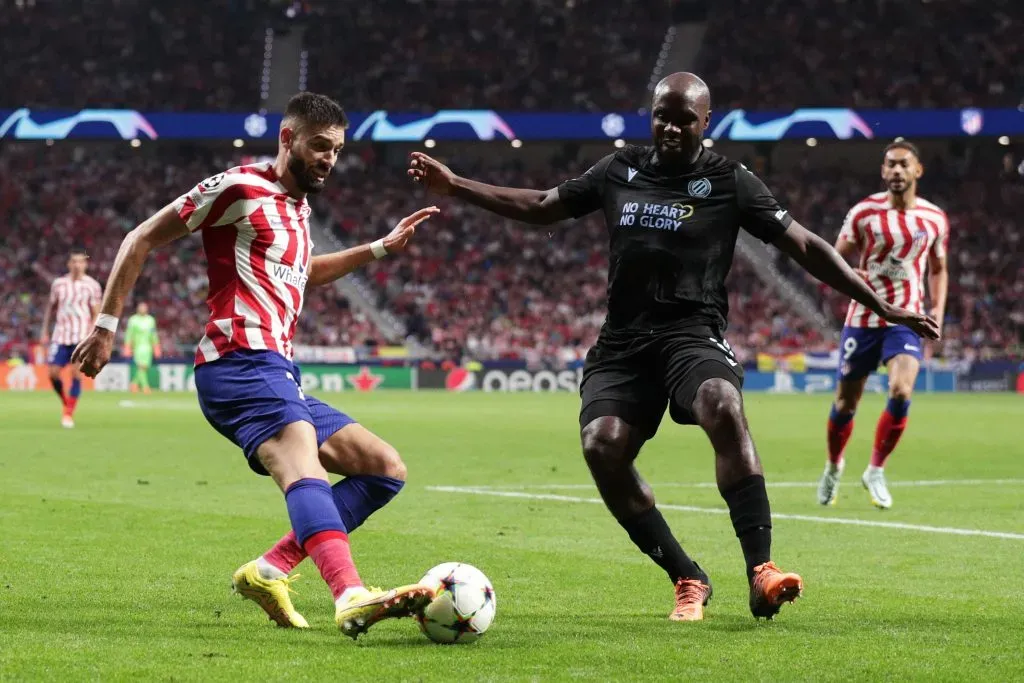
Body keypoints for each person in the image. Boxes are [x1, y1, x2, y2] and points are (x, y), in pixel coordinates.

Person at [408, 72, 938, 622]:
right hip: (623, 342)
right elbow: (544, 205)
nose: (671, 126)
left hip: (692, 333)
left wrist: (882, 305)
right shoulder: (619, 169)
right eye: (663, 114)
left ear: (706, 122)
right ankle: (687, 576)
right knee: (602, 446)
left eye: (685, 118)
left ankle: (762, 571)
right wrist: (457, 187)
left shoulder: (730, 180)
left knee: (722, 404)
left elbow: (804, 244)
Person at [73, 92, 440, 639]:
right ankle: (350, 595)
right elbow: (141, 236)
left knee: (384, 468)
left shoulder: (299, 210)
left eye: (336, 151)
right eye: (319, 146)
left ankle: (269, 570)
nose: (328, 159)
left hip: (277, 370)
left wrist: (379, 249)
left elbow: (305, 272)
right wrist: (106, 327)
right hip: (238, 363)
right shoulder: (240, 188)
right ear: (287, 138)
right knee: (303, 466)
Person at [817, 141, 948, 509]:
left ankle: (875, 470)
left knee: (902, 391)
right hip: (863, 316)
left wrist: (936, 309)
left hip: (906, 317)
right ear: (882, 171)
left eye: (903, 165)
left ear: (917, 171)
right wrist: (850, 271)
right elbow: (834, 257)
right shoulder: (864, 212)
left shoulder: (934, 218)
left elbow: (939, 269)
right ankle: (833, 466)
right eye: (890, 165)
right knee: (846, 403)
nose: (896, 171)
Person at [39, 247, 102, 428]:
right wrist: (44, 330)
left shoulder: (92, 285)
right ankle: (67, 401)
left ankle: (68, 413)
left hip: (81, 336)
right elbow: (50, 309)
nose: (77, 265)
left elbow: (96, 313)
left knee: (76, 373)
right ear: (69, 264)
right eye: (74, 261)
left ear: (86, 264)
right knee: (52, 374)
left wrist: (94, 335)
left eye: (81, 261)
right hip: (60, 335)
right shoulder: (58, 284)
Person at [123, 302, 161, 394]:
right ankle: (145, 387)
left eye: (144, 308)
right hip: (138, 347)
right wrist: (127, 347)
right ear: (138, 309)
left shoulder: (150, 320)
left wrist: (156, 347)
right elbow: (129, 334)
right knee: (141, 366)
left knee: (145, 367)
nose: (143, 309)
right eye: (141, 308)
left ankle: (134, 384)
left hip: (148, 347)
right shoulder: (133, 320)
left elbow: (154, 335)